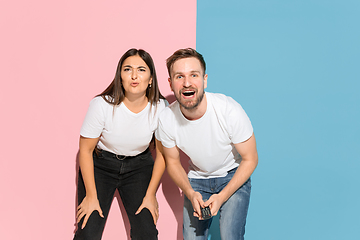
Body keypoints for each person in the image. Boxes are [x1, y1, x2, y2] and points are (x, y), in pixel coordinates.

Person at [155, 48, 258, 240]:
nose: (187, 83)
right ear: (170, 83)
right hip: (196, 181)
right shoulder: (166, 119)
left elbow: (250, 159)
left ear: (204, 80)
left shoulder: (229, 110)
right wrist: (190, 193)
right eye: (179, 76)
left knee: (230, 236)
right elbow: (173, 162)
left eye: (194, 75)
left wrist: (222, 196)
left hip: (232, 175)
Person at [73, 48, 167, 240]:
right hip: (100, 166)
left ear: (151, 79)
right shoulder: (101, 105)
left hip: (139, 167)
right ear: (120, 76)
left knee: (147, 232)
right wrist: (91, 196)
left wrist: (151, 195)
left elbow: (162, 154)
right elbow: (85, 150)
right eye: (127, 69)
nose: (134, 75)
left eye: (141, 70)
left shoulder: (160, 108)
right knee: (88, 230)